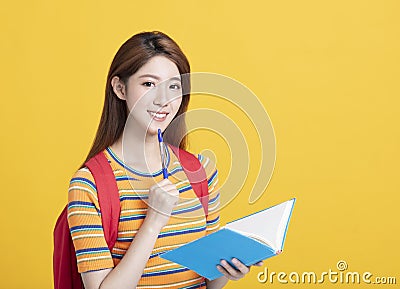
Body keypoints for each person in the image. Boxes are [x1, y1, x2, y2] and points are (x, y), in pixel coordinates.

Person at [67, 31, 262, 289]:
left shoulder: (201, 171)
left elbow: (210, 284)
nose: (163, 100)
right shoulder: (88, 185)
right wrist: (154, 221)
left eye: (173, 86)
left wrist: (230, 266)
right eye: (149, 84)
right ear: (120, 88)